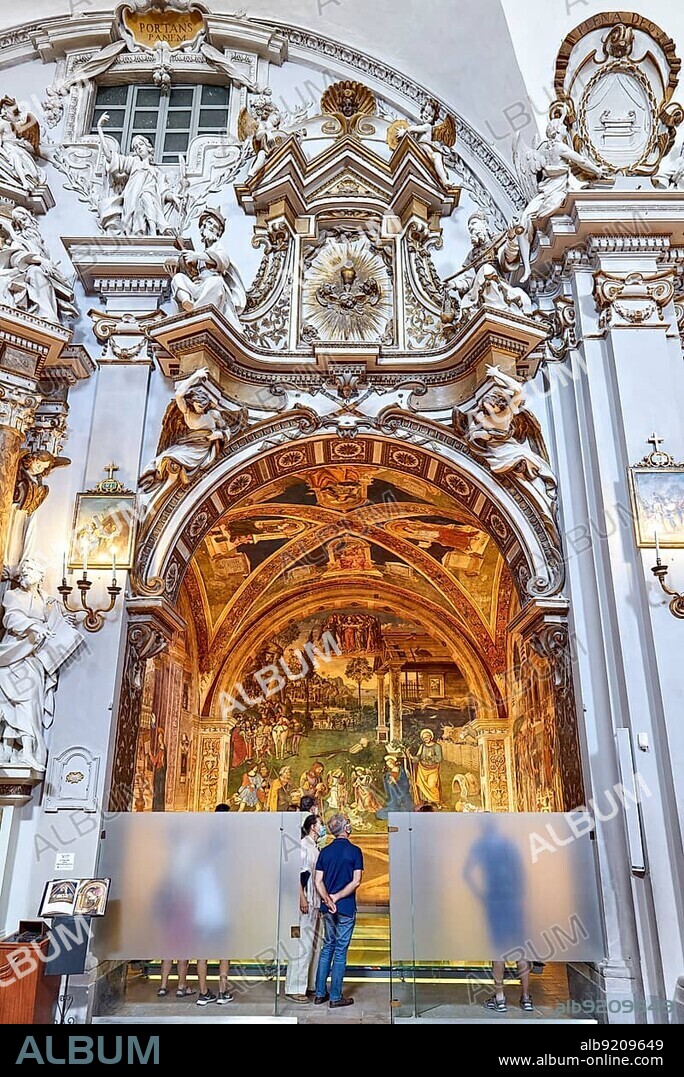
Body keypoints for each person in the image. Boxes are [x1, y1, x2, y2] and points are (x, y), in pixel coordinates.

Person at [462, 813, 532, 1013]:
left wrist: (481, 895)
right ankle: (525, 997)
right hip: (513, 899)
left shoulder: (480, 845)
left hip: (494, 899)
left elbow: (466, 873)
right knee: (521, 950)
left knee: (498, 951)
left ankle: (500, 998)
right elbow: (521, 872)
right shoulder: (509, 844)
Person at [313, 813, 364, 1008]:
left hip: (328, 908)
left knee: (327, 947)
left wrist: (328, 899)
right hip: (345, 907)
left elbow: (318, 881)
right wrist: (337, 897)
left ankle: (319, 994)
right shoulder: (355, 851)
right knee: (340, 951)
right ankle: (335, 997)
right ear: (346, 828)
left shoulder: (324, 852)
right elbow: (356, 881)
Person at [284, 813, 326, 1003]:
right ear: (312, 827)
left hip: (315, 903)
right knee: (302, 946)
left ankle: (309, 984)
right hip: (306, 901)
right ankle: (295, 987)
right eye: (320, 824)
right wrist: (302, 899)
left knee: (313, 946)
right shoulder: (303, 846)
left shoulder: (314, 847)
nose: (322, 827)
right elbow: (297, 876)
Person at [196, 802, 234, 1006]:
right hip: (220, 908)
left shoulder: (202, 854)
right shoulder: (227, 850)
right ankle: (222, 991)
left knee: (202, 952)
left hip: (202, 908)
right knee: (223, 950)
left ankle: (203, 993)